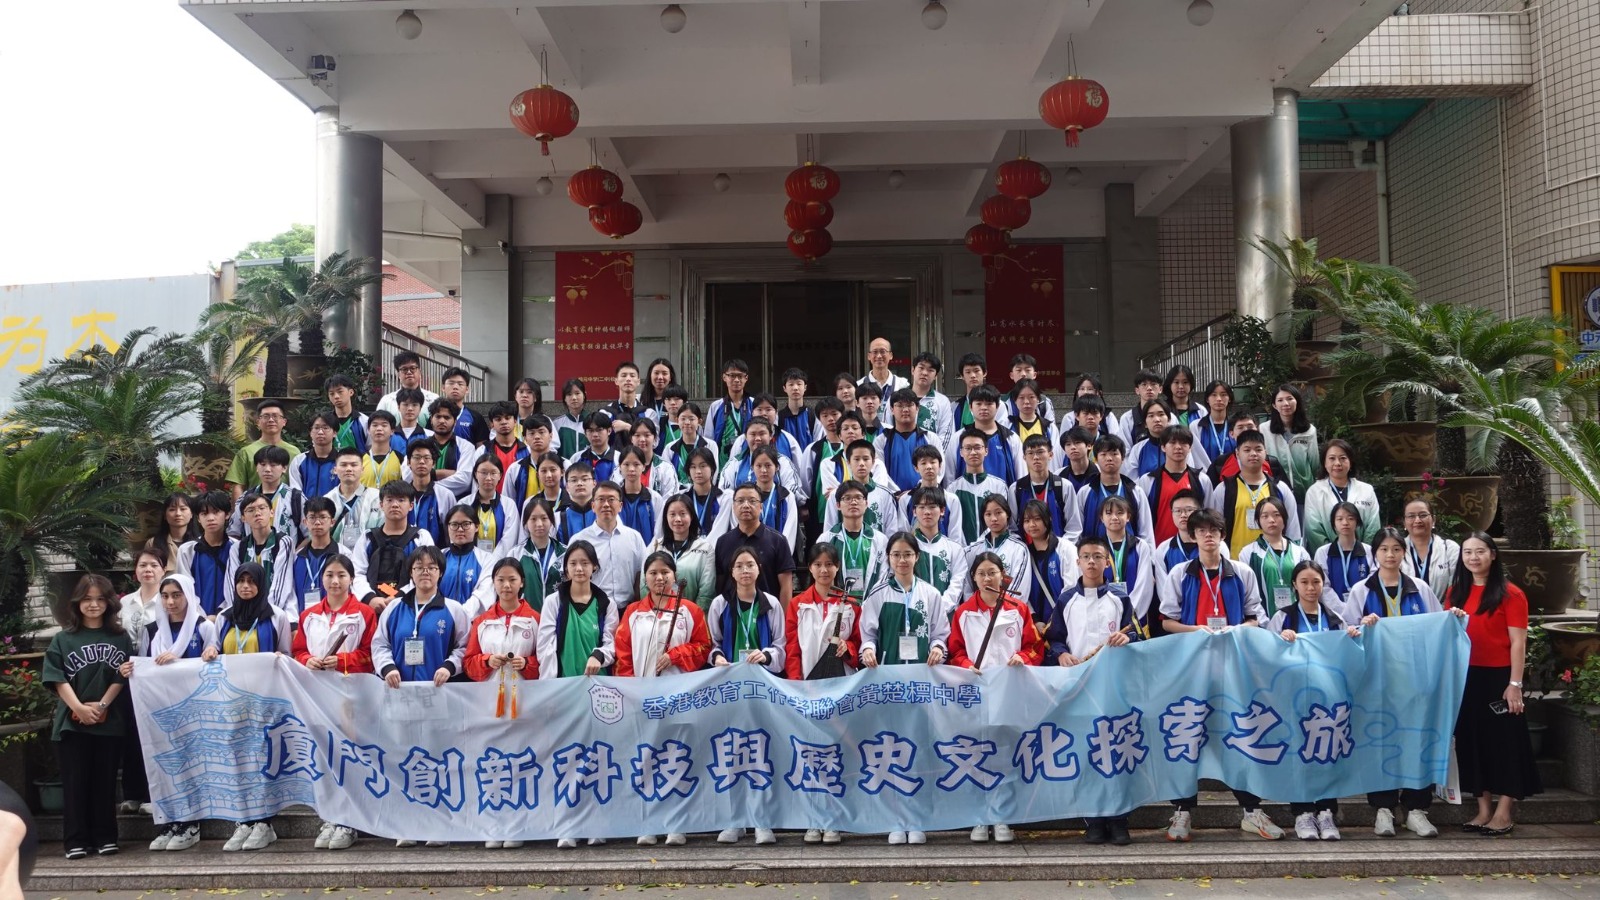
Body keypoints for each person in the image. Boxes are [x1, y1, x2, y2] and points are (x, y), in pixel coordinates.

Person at [1158, 509, 1280, 842]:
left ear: (1223, 535)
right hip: (1192, 668)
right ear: (1193, 536)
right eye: (1201, 531)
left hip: (1234, 668)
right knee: (1188, 738)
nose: (1208, 535)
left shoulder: (1241, 572)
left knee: (1240, 737)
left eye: (1214, 530)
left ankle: (1252, 811)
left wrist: (1235, 630)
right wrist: (1198, 630)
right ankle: (1182, 812)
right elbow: (1167, 621)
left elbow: (1256, 618)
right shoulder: (1180, 573)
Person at [1347, 527, 1442, 838]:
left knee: (1418, 740)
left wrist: (1454, 618)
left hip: (1415, 680)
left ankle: (1416, 809)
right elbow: (1347, 633)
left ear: (1404, 552)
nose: (1390, 555)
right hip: (1377, 680)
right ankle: (1383, 809)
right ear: (1374, 553)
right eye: (1384, 549)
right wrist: (1361, 625)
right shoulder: (1361, 590)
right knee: (1380, 742)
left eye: (1396, 549)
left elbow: (1438, 627)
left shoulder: (1420, 588)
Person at [1043, 537, 1139, 844]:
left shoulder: (1120, 598)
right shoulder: (1066, 599)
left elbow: (1136, 634)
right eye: (1086, 556)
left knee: (1117, 749)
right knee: (1087, 750)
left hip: (1113, 684)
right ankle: (1094, 819)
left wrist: (1128, 639)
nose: (1092, 562)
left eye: (1098, 556)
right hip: (1079, 684)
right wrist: (1061, 654)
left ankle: (1119, 820)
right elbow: (1055, 638)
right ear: (1078, 562)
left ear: (1107, 562)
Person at [371, 546, 469, 847]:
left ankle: (439, 824)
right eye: (419, 567)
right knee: (405, 757)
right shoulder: (394, 609)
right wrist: (387, 667)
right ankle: (408, 823)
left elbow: (464, 647)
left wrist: (449, 666)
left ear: (441, 573)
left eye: (431, 567)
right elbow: (380, 644)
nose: (425, 572)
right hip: (401, 695)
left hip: (437, 695)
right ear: (410, 573)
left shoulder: (454, 610)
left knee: (437, 756)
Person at [1444, 532, 1541, 835]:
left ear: (1493, 555)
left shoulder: (1511, 594)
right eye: (1468, 552)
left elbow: (1518, 642)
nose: (1473, 558)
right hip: (1465, 676)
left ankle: (1504, 811)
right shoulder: (1455, 592)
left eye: (1480, 551)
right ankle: (1483, 809)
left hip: (1499, 678)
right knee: (1472, 741)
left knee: (1506, 742)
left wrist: (1515, 683)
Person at [858, 530, 949, 846]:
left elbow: (940, 633)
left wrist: (937, 648)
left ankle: (918, 819)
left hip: (921, 682)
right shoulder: (878, 594)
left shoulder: (930, 594)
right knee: (891, 749)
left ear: (917, 557)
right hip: (889, 682)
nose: (902, 560)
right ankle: (895, 819)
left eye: (907, 554)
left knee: (920, 748)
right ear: (888, 558)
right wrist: (868, 651)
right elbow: (867, 635)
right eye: (896, 555)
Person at [948, 551, 1044, 843]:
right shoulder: (964, 612)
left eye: (992, 572)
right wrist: (967, 666)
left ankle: (1003, 815)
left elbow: (1035, 647)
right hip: (976, 691)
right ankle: (979, 815)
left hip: (1010, 691)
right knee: (976, 752)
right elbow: (955, 651)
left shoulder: (1018, 609)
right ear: (973, 578)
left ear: (1003, 576)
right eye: (981, 573)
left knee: (1005, 752)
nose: (987, 578)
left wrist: (1022, 657)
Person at [616, 552, 710, 848]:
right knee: (646, 758)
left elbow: (703, 648)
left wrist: (676, 655)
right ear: (645, 578)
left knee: (675, 757)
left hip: (679, 697)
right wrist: (633, 692)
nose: (660, 578)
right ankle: (648, 821)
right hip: (644, 698)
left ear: (674, 576)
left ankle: (677, 821)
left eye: (665, 572)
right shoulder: (633, 613)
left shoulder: (690, 611)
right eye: (653, 573)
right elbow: (623, 657)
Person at [536, 541, 620, 849]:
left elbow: (612, 643)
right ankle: (568, 824)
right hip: (564, 690)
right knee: (567, 756)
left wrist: (599, 655)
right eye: (573, 563)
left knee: (598, 755)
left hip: (598, 691)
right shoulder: (554, 602)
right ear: (566, 568)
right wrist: (552, 686)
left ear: (594, 567)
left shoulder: (605, 603)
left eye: (585, 563)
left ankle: (598, 822)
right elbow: (545, 645)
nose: (579, 568)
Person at [203, 563, 293, 852]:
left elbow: (287, 655)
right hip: (231, 702)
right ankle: (243, 820)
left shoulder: (276, 616)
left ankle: (264, 823)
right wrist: (211, 650)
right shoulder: (224, 618)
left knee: (262, 761)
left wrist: (279, 658)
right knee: (237, 761)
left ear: (261, 584)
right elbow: (214, 647)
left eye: (251, 581)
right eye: (241, 581)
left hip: (264, 702)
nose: (245, 586)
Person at [125, 575, 218, 852]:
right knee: (167, 768)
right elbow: (145, 666)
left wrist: (181, 662)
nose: (170, 602)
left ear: (188, 595)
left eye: (177, 595)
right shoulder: (152, 630)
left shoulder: (203, 627)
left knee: (191, 767)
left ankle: (191, 824)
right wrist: (129, 669)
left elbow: (213, 665)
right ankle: (170, 822)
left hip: (194, 711)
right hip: (161, 710)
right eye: (165, 596)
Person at [44, 574, 132, 861]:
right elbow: (57, 678)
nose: (93, 604)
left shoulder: (120, 638)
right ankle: (76, 841)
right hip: (71, 725)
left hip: (109, 722)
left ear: (109, 603)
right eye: (87, 599)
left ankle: (106, 837)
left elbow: (122, 676)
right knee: (75, 784)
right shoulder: (63, 639)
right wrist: (79, 708)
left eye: (100, 599)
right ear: (77, 602)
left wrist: (103, 705)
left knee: (104, 783)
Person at [1270, 560, 1360, 842]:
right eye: (1304, 582)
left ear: (1323, 585)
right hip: (1294, 698)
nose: (1311, 588)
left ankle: (1326, 811)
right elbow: (1266, 656)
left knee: (1327, 753)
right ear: (1294, 586)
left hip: (1328, 699)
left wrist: (1352, 638)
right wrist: (1279, 641)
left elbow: (1348, 657)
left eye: (1316, 582)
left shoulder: (1335, 619)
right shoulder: (1282, 618)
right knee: (1298, 754)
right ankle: (1302, 813)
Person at [289, 553, 374, 851]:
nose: (335, 581)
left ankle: (349, 820)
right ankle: (330, 815)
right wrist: (308, 660)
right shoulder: (309, 615)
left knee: (348, 755)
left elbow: (371, 654)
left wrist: (342, 660)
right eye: (329, 575)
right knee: (323, 757)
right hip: (316, 696)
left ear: (352, 579)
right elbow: (298, 650)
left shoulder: (364, 614)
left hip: (350, 697)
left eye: (341, 575)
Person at [706, 545, 786, 846]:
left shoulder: (771, 604)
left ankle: (762, 820)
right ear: (731, 571)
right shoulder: (720, 604)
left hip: (762, 689)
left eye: (750, 564)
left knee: (761, 752)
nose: (744, 570)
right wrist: (716, 658)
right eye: (739, 565)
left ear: (759, 569)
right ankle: (735, 820)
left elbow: (781, 646)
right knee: (731, 752)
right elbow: (712, 644)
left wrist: (766, 655)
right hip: (730, 690)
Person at [462, 559, 541, 849]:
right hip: (489, 703)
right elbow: (468, 663)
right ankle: (493, 823)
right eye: (500, 580)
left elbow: (546, 661)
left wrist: (527, 663)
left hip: (524, 703)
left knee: (521, 760)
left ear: (522, 582)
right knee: (492, 761)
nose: (506, 586)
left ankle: (519, 824)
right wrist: (486, 661)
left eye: (512, 580)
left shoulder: (535, 618)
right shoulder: (482, 622)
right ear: (493, 583)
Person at [116, 547, 165, 814]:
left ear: (163, 570)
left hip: (157, 677)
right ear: (135, 571)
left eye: (154, 565)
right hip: (129, 674)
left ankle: (152, 794)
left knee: (154, 733)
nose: (148, 570)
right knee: (131, 733)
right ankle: (132, 793)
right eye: (143, 565)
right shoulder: (124, 604)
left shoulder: (170, 600)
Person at [1205, 429, 1301, 549]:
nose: (1253, 454)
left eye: (1258, 449)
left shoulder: (1280, 488)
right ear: (1237, 453)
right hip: (1235, 557)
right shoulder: (1224, 489)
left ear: (1265, 452)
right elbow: (1215, 526)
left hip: (1273, 558)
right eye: (1247, 450)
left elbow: (1293, 528)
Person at [352, 480, 437, 608]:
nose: (395, 505)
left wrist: (400, 597)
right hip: (371, 606)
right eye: (389, 500)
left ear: (411, 506)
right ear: (381, 505)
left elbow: (427, 571)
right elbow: (357, 573)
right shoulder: (367, 537)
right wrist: (370, 598)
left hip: (410, 605)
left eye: (401, 500)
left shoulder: (421, 537)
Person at [1234, 497, 1311, 620]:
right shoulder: (1248, 553)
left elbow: (1308, 587)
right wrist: (1264, 622)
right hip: (1262, 622)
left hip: (1296, 621)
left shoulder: (1299, 552)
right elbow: (1247, 593)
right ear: (1258, 521)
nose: (1271, 520)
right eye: (1265, 516)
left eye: (1277, 515)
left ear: (1284, 518)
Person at [1136, 425, 1214, 547]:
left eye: (1183, 443)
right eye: (1172, 443)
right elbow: (1142, 520)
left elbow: (1209, 516)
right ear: (1163, 447)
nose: (1178, 447)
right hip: (1159, 548)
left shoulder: (1202, 480)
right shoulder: (1148, 481)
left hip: (1196, 548)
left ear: (1190, 448)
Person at [573, 481, 648, 607]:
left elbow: (640, 575)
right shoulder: (580, 540)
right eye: (601, 499)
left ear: (620, 506)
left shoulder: (634, 538)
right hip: (593, 610)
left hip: (627, 609)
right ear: (593, 506)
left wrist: (636, 607)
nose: (606, 504)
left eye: (611, 499)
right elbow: (571, 577)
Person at [1303, 439, 1381, 553]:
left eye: (1343, 458)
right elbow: (1314, 530)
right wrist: (1332, 554)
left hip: (1363, 555)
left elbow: (1373, 527)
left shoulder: (1366, 490)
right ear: (1324, 463)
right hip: (1328, 557)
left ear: (1350, 462)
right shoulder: (1314, 492)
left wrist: (1365, 552)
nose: (1337, 463)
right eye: (1332, 458)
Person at [640, 494, 717, 608]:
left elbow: (706, 592)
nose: (677, 519)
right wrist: (653, 612)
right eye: (672, 514)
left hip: (691, 614)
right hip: (656, 614)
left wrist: (693, 614)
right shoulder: (655, 547)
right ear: (666, 517)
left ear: (691, 516)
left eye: (682, 514)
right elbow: (644, 584)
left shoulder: (705, 549)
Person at [1076, 435, 1154, 545]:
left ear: (1122, 458)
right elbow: (1077, 531)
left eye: (1114, 454)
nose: (1109, 458)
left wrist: (1147, 553)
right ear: (1096, 459)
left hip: (1129, 552)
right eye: (1103, 454)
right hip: (1094, 552)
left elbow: (1146, 532)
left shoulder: (1136, 492)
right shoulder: (1085, 492)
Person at [816, 481, 887, 600]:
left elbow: (884, 576)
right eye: (847, 498)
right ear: (838, 505)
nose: (853, 502)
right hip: (836, 605)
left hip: (872, 604)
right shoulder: (826, 539)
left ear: (866, 503)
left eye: (858, 498)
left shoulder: (880, 540)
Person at [1017, 500, 1080, 634]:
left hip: (1066, 623)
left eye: (1037, 519)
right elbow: (1022, 592)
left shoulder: (1066, 548)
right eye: (1027, 521)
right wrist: (1035, 619)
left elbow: (1072, 587)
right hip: (1036, 628)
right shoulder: (1023, 554)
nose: (1032, 525)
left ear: (1048, 519)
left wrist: (1054, 620)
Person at [1096, 496, 1156, 636]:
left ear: (1128, 516)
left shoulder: (1140, 546)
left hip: (1135, 618)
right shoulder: (1096, 548)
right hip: (1104, 616)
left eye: (1120, 513)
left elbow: (1144, 585)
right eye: (1109, 513)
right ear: (1101, 518)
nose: (1114, 517)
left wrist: (1128, 614)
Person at [960, 496, 1035, 605]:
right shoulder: (972, 551)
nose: (994, 518)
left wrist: (998, 611)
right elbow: (967, 588)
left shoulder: (1019, 549)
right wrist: (977, 610)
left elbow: (1020, 590)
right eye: (988, 514)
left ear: (1007, 514)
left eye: (998, 513)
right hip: (977, 613)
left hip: (1008, 612)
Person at [176, 490, 239, 617]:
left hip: (229, 617)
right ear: (198, 518)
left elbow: (239, 585)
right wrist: (202, 618)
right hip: (196, 619)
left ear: (227, 514)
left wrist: (221, 614)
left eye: (216, 512)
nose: (210, 518)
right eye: (204, 514)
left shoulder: (237, 548)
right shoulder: (187, 550)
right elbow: (186, 588)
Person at [232, 492, 298, 612]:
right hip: (245, 613)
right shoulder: (238, 547)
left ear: (271, 512)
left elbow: (282, 585)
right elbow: (232, 583)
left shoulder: (283, 542)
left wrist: (266, 613)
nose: (257, 513)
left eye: (262, 508)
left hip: (279, 612)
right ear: (243, 518)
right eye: (250, 510)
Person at [944, 385, 1023, 485]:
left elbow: (1021, 475)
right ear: (970, 407)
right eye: (979, 403)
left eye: (989, 404)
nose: (984, 408)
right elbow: (949, 477)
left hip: (1003, 494)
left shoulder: (1011, 438)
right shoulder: (958, 438)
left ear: (997, 406)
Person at [229, 444, 305, 547]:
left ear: (284, 468)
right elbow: (233, 533)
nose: (267, 469)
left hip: (287, 555)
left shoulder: (295, 498)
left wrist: (295, 554)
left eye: (273, 465)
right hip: (251, 555)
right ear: (256, 467)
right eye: (263, 464)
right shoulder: (245, 498)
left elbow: (310, 534)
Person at [821, 437, 899, 535]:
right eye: (856, 459)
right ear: (848, 462)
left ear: (873, 462)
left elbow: (891, 531)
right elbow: (829, 530)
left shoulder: (886, 495)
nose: (861, 464)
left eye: (866, 459)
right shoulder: (836, 494)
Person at [225, 400, 300, 499]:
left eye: (275, 416)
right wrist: (238, 508)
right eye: (266, 416)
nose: (271, 420)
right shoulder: (246, 452)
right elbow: (238, 486)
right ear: (258, 422)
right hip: (255, 506)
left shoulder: (294, 452)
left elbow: (299, 484)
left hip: (286, 506)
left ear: (284, 422)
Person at [950, 428, 1012, 546]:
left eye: (977, 447)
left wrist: (979, 545)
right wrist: (966, 549)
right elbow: (953, 526)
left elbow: (1003, 520)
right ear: (961, 452)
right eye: (968, 448)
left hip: (992, 549)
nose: (973, 452)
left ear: (986, 451)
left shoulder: (999, 486)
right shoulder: (953, 489)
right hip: (963, 550)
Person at [908, 486, 967, 611]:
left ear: (942, 510)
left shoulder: (955, 549)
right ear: (914, 511)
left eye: (932, 507)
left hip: (946, 616)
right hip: (914, 614)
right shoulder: (907, 548)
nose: (927, 512)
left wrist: (939, 609)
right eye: (921, 507)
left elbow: (957, 585)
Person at [1013, 434, 1080, 541]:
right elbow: (1012, 528)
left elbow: (1073, 528)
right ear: (1024, 457)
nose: (1035, 457)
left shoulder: (1064, 486)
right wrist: (1022, 548)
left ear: (1050, 455)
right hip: (1027, 549)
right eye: (1030, 453)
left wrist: (1060, 548)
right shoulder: (1016, 488)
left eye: (1040, 452)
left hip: (1058, 548)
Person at [1311, 502, 1373, 617]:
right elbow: (1323, 586)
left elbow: (1373, 581)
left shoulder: (1369, 551)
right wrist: (1343, 609)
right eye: (1339, 519)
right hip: (1333, 615)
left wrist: (1356, 608)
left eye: (1350, 518)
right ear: (1334, 524)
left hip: (1365, 612)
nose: (1345, 523)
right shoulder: (1323, 552)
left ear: (1357, 522)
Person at [1263, 383, 1319, 500]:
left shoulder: (1309, 431)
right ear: (1274, 405)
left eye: (1290, 399)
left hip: (1304, 492)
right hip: (1275, 492)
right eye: (1280, 400)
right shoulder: (1264, 429)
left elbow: (1314, 464)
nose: (1286, 404)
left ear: (1297, 401)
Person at [876, 388, 938, 492]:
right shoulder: (881, 440)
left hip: (924, 495)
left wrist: (918, 490)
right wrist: (896, 493)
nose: (905, 410)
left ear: (917, 408)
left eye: (909, 405)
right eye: (900, 405)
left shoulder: (930, 437)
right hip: (892, 497)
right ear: (892, 409)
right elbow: (879, 472)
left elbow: (939, 468)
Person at [437, 505, 496, 610]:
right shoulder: (438, 557)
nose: (460, 529)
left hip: (474, 618)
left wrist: (460, 615)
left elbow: (484, 594)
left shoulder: (487, 559)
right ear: (447, 527)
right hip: (440, 617)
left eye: (466, 524)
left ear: (477, 527)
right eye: (454, 524)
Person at [1401, 497, 1461, 600]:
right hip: (1405, 609)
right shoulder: (1396, 550)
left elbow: (1456, 587)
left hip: (1442, 609)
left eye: (1423, 515)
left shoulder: (1450, 549)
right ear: (1404, 522)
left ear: (1433, 520)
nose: (1417, 520)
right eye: (1411, 516)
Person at [327, 448, 383, 554]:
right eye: (343, 465)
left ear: (362, 469)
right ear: (335, 470)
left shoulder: (376, 497)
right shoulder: (328, 499)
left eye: (354, 465)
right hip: (335, 558)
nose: (349, 469)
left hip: (369, 555)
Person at [467, 454, 523, 558]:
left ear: (500, 475)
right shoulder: (464, 504)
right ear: (475, 474)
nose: (488, 478)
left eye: (493, 473)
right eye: (483, 473)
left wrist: (491, 562)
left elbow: (508, 540)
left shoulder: (509, 505)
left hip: (500, 563)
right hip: (471, 561)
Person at [403, 440, 457, 546]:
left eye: (426, 458)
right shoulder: (401, 495)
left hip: (436, 554)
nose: (421, 462)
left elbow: (452, 531)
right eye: (417, 457)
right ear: (408, 462)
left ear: (434, 463)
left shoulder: (445, 495)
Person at [501, 414, 556, 513]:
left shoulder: (564, 465)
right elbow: (508, 505)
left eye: (541, 432)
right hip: (524, 521)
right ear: (525, 438)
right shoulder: (515, 469)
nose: (537, 437)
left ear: (551, 435)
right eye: (532, 433)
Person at [1153, 489, 1214, 574]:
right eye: (1178, 511)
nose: (1183, 515)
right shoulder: (1163, 549)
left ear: (1200, 512)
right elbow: (1163, 582)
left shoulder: (1215, 545)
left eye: (1189, 510)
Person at [423, 399, 476, 496]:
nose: (442, 421)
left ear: (455, 422)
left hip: (457, 502)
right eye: (438, 417)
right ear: (431, 420)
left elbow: (464, 480)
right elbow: (409, 475)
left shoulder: (466, 447)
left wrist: (428, 479)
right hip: (425, 501)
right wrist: (449, 473)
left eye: (447, 417)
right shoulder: (420, 445)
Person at [616, 446, 666, 547]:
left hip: (649, 552)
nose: (631, 469)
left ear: (643, 466)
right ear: (620, 467)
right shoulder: (614, 499)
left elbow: (659, 533)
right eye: (626, 464)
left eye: (636, 464)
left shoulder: (654, 498)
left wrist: (650, 552)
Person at [708, 358, 755, 458]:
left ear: (746, 378)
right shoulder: (715, 406)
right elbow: (709, 438)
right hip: (722, 462)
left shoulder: (754, 404)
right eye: (732, 376)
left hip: (748, 459)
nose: (736, 380)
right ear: (724, 377)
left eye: (740, 376)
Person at [906, 352, 955, 444]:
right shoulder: (898, 398)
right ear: (913, 370)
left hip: (931, 452)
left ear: (935, 376)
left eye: (930, 370)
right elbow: (887, 429)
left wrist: (935, 453)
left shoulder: (942, 401)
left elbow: (946, 436)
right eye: (921, 368)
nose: (925, 373)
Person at [665, 401, 719, 483]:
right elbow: (666, 474)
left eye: (691, 419)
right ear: (677, 421)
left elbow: (714, 471)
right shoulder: (670, 448)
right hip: (677, 490)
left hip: (703, 489)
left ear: (699, 421)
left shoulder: (710, 445)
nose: (687, 422)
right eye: (683, 419)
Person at [481, 401, 530, 491]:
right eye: (498, 419)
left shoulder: (527, 451)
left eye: (507, 418)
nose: (504, 422)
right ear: (492, 424)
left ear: (515, 421)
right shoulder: (482, 451)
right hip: (492, 499)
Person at [376, 351, 441, 418]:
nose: (409, 372)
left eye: (413, 368)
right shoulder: (386, 401)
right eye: (404, 369)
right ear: (398, 374)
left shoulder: (434, 399)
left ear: (419, 372)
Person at [599, 362, 648, 450]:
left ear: (638, 381)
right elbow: (599, 440)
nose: (628, 379)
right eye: (624, 375)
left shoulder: (647, 412)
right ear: (616, 381)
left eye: (632, 376)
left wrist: (627, 427)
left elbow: (654, 442)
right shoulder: (605, 413)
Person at [629, 419, 680, 497]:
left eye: (647, 435)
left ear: (655, 438)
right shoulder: (622, 467)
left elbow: (671, 498)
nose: (642, 439)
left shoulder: (666, 468)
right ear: (631, 439)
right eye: (637, 435)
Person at [440, 366, 489, 446]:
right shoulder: (435, 415)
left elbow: (481, 447)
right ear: (443, 388)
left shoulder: (476, 417)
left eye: (460, 384)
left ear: (467, 389)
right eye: (451, 383)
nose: (455, 387)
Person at [325, 375, 370, 455]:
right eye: (332, 394)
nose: (336, 396)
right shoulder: (325, 422)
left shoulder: (364, 421)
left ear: (351, 392)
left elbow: (371, 449)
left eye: (340, 392)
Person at [361, 410, 406, 489]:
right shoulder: (359, 459)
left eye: (384, 425)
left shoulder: (401, 459)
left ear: (392, 431)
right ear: (368, 430)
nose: (379, 428)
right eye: (375, 425)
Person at [556, 460, 598, 543]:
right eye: (574, 480)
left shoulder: (603, 512)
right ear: (567, 486)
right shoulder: (558, 518)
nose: (579, 483)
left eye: (584, 479)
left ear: (594, 483)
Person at [1195, 381, 1236, 464]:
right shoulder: (1196, 426)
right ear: (1207, 399)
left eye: (1223, 395)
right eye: (1214, 395)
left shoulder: (1236, 425)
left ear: (1229, 399)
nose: (1219, 399)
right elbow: (1196, 456)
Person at [1118, 371, 1164, 445]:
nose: (1149, 388)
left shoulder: (1170, 416)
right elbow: (1125, 448)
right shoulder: (1127, 418)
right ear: (1137, 390)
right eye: (1144, 384)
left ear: (1160, 389)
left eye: (1153, 384)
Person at [571, 412, 619, 483]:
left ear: (609, 431)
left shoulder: (619, 458)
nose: (595, 435)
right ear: (585, 433)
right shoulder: (576, 458)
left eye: (599, 430)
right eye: (590, 431)